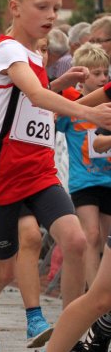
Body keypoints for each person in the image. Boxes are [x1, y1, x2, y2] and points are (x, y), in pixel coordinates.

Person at [0, 0, 111, 352]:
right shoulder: (7, 49)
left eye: (56, 8)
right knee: (2, 270)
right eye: (42, 7)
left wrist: (67, 87)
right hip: (3, 177)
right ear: (14, 7)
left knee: (77, 240)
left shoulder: (35, 54)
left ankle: (70, 336)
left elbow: (38, 99)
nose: (51, 15)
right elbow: (35, 94)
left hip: (41, 172)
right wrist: (86, 111)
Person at [57, 44, 111, 290]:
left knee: (105, 239)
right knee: (91, 235)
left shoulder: (108, 107)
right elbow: (52, 122)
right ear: (82, 76)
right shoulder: (72, 106)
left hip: (108, 179)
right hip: (83, 180)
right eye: (96, 73)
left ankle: (101, 292)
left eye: (105, 73)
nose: (102, 78)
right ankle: (92, 292)